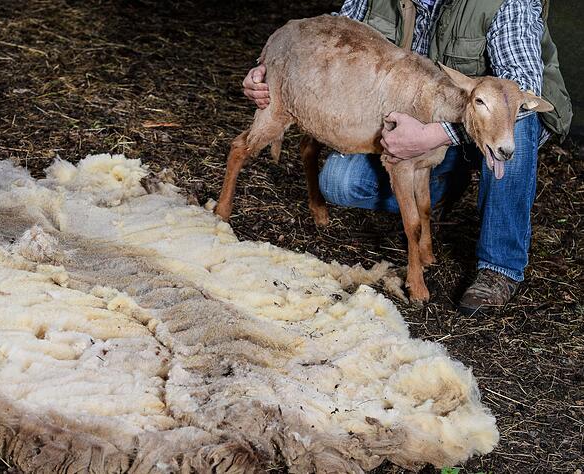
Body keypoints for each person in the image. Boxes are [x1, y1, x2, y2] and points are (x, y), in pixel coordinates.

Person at [242, 0, 572, 314]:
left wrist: (434, 135)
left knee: (519, 128)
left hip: (483, 125)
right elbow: (337, 30)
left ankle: (500, 266)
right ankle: (445, 179)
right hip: (411, 117)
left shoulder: (505, 2)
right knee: (340, 183)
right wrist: (271, 68)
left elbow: (524, 83)